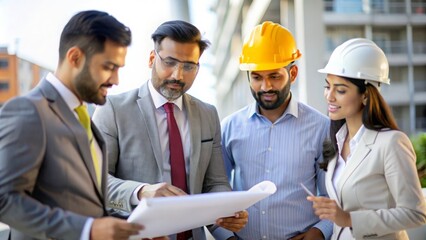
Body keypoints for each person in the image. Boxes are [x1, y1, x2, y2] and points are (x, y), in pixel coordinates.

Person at [0, 10, 162, 240]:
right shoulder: (28, 111)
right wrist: (88, 230)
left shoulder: (85, 117)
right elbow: (5, 199)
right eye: (109, 67)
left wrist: (130, 233)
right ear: (75, 57)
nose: (116, 80)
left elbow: (87, 208)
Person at [92, 20, 248, 240]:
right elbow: (95, 182)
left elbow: (215, 183)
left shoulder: (208, 114)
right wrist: (142, 191)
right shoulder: (113, 110)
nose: (178, 75)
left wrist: (227, 218)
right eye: (170, 62)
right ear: (151, 59)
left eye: (188, 66)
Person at [221, 21, 332, 239]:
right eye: (257, 77)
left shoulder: (321, 128)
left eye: (274, 76)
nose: (266, 87)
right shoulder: (229, 128)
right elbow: (216, 193)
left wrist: (319, 233)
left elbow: (332, 196)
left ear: (293, 73)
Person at [307, 38, 426, 239]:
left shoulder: (391, 143)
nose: (329, 96)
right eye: (328, 86)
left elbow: (416, 214)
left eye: (341, 90)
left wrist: (350, 219)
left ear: (365, 95)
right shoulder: (336, 140)